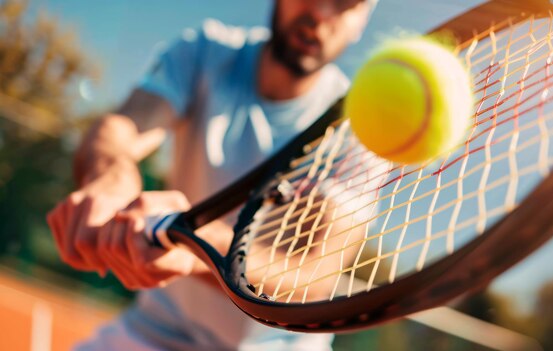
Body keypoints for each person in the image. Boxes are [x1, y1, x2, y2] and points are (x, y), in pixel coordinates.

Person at [46, 0, 377, 349]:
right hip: (156, 328)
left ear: (362, 20)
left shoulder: (361, 132)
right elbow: (124, 129)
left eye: (345, 3)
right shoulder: (206, 51)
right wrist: (111, 177)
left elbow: (311, 279)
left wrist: (196, 244)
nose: (320, 14)